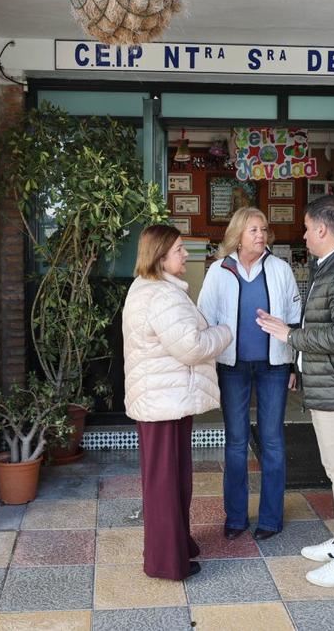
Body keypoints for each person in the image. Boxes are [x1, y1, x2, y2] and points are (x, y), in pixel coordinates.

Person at [256, 194, 334, 588]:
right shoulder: (331, 266)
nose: (304, 235)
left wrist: (291, 336)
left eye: (307, 228)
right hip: (331, 388)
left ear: (322, 229)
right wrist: (299, 364)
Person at [122, 224, 232, 580]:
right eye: (180, 249)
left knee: (168, 482)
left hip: (163, 400)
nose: (186, 254)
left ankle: (176, 548)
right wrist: (226, 330)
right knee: (166, 485)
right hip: (163, 403)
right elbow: (192, 347)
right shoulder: (161, 295)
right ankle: (167, 562)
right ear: (160, 256)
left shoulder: (148, 288)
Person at [197, 207, 301, 541]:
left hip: (274, 367)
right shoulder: (218, 270)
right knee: (236, 442)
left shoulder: (281, 269)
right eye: (254, 229)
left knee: (272, 441)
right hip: (233, 368)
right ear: (238, 234)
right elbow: (204, 319)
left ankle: (270, 518)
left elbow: (295, 319)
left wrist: (293, 363)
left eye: (264, 229)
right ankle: (236, 517)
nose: (261, 235)